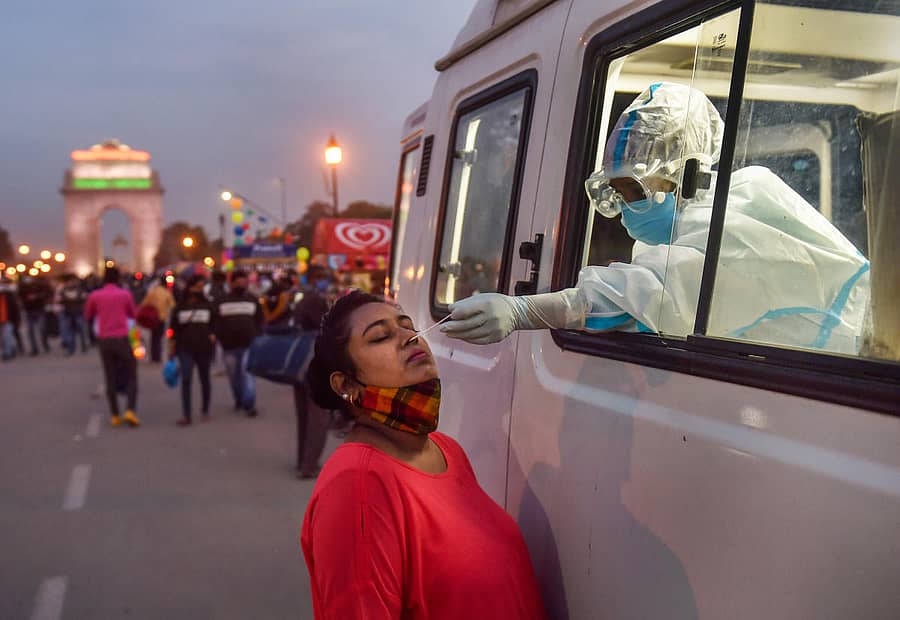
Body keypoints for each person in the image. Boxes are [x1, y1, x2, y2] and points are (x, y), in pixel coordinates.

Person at [441, 82, 870, 354]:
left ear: (686, 175)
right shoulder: (700, 223)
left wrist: (521, 312)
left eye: (633, 190)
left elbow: (646, 294)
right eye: (618, 192)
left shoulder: (736, 229)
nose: (625, 207)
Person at [300, 291, 547, 618]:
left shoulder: (446, 449)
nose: (410, 337)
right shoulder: (357, 485)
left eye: (408, 326)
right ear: (346, 384)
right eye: (381, 336)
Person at [291, 265, 334, 479]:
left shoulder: (302, 299)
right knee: (318, 419)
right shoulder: (316, 300)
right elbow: (327, 327)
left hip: (298, 365)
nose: (324, 281)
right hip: (313, 365)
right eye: (322, 277)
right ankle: (308, 465)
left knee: (303, 417)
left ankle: (302, 461)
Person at [84, 267, 140, 427]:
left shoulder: (95, 296)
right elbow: (132, 314)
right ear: (119, 279)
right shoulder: (125, 294)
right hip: (122, 338)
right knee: (131, 374)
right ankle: (130, 410)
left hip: (104, 340)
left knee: (110, 376)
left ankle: (115, 415)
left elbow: (88, 315)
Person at [214, 269, 262, 417]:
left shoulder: (252, 299)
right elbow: (215, 322)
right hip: (229, 346)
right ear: (232, 283)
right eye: (238, 282)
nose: (241, 284)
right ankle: (239, 399)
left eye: (244, 282)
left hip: (249, 344)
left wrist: (258, 336)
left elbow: (259, 320)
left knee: (247, 374)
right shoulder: (221, 300)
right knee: (234, 376)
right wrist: (220, 337)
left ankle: (250, 404)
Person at [170, 274, 216, 426]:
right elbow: (173, 330)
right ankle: (187, 415)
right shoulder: (179, 307)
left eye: (202, 287)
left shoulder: (208, 305)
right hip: (185, 348)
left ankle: (205, 410)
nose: (200, 290)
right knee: (186, 378)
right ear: (190, 288)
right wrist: (171, 347)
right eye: (198, 287)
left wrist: (213, 335)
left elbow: (215, 324)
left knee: (204, 379)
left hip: (204, 348)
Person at [142, 275, 176, 363]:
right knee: (159, 337)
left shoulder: (153, 291)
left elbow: (145, 303)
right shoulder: (167, 293)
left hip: (153, 317)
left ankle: (153, 356)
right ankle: (157, 356)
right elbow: (173, 305)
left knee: (153, 337)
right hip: (162, 318)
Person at [20, 275, 51, 355]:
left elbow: (46, 293)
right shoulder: (22, 287)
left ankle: (45, 343)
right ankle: (34, 348)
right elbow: (20, 297)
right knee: (30, 331)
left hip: (39, 309)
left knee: (42, 329)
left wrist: (37, 297)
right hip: (29, 310)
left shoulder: (39, 285)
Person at [59, 274, 88, 355]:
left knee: (81, 330)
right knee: (71, 332)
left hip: (78, 312)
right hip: (68, 313)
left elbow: (83, 298)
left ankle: (84, 346)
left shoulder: (80, 289)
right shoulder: (63, 290)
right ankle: (71, 348)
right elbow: (61, 300)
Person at [0, 274, 21, 361]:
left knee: (7, 336)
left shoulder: (11, 295)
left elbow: (16, 308)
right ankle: (10, 350)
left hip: (8, 319)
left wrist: (17, 320)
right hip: (2, 319)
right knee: (3, 338)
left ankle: (7, 353)